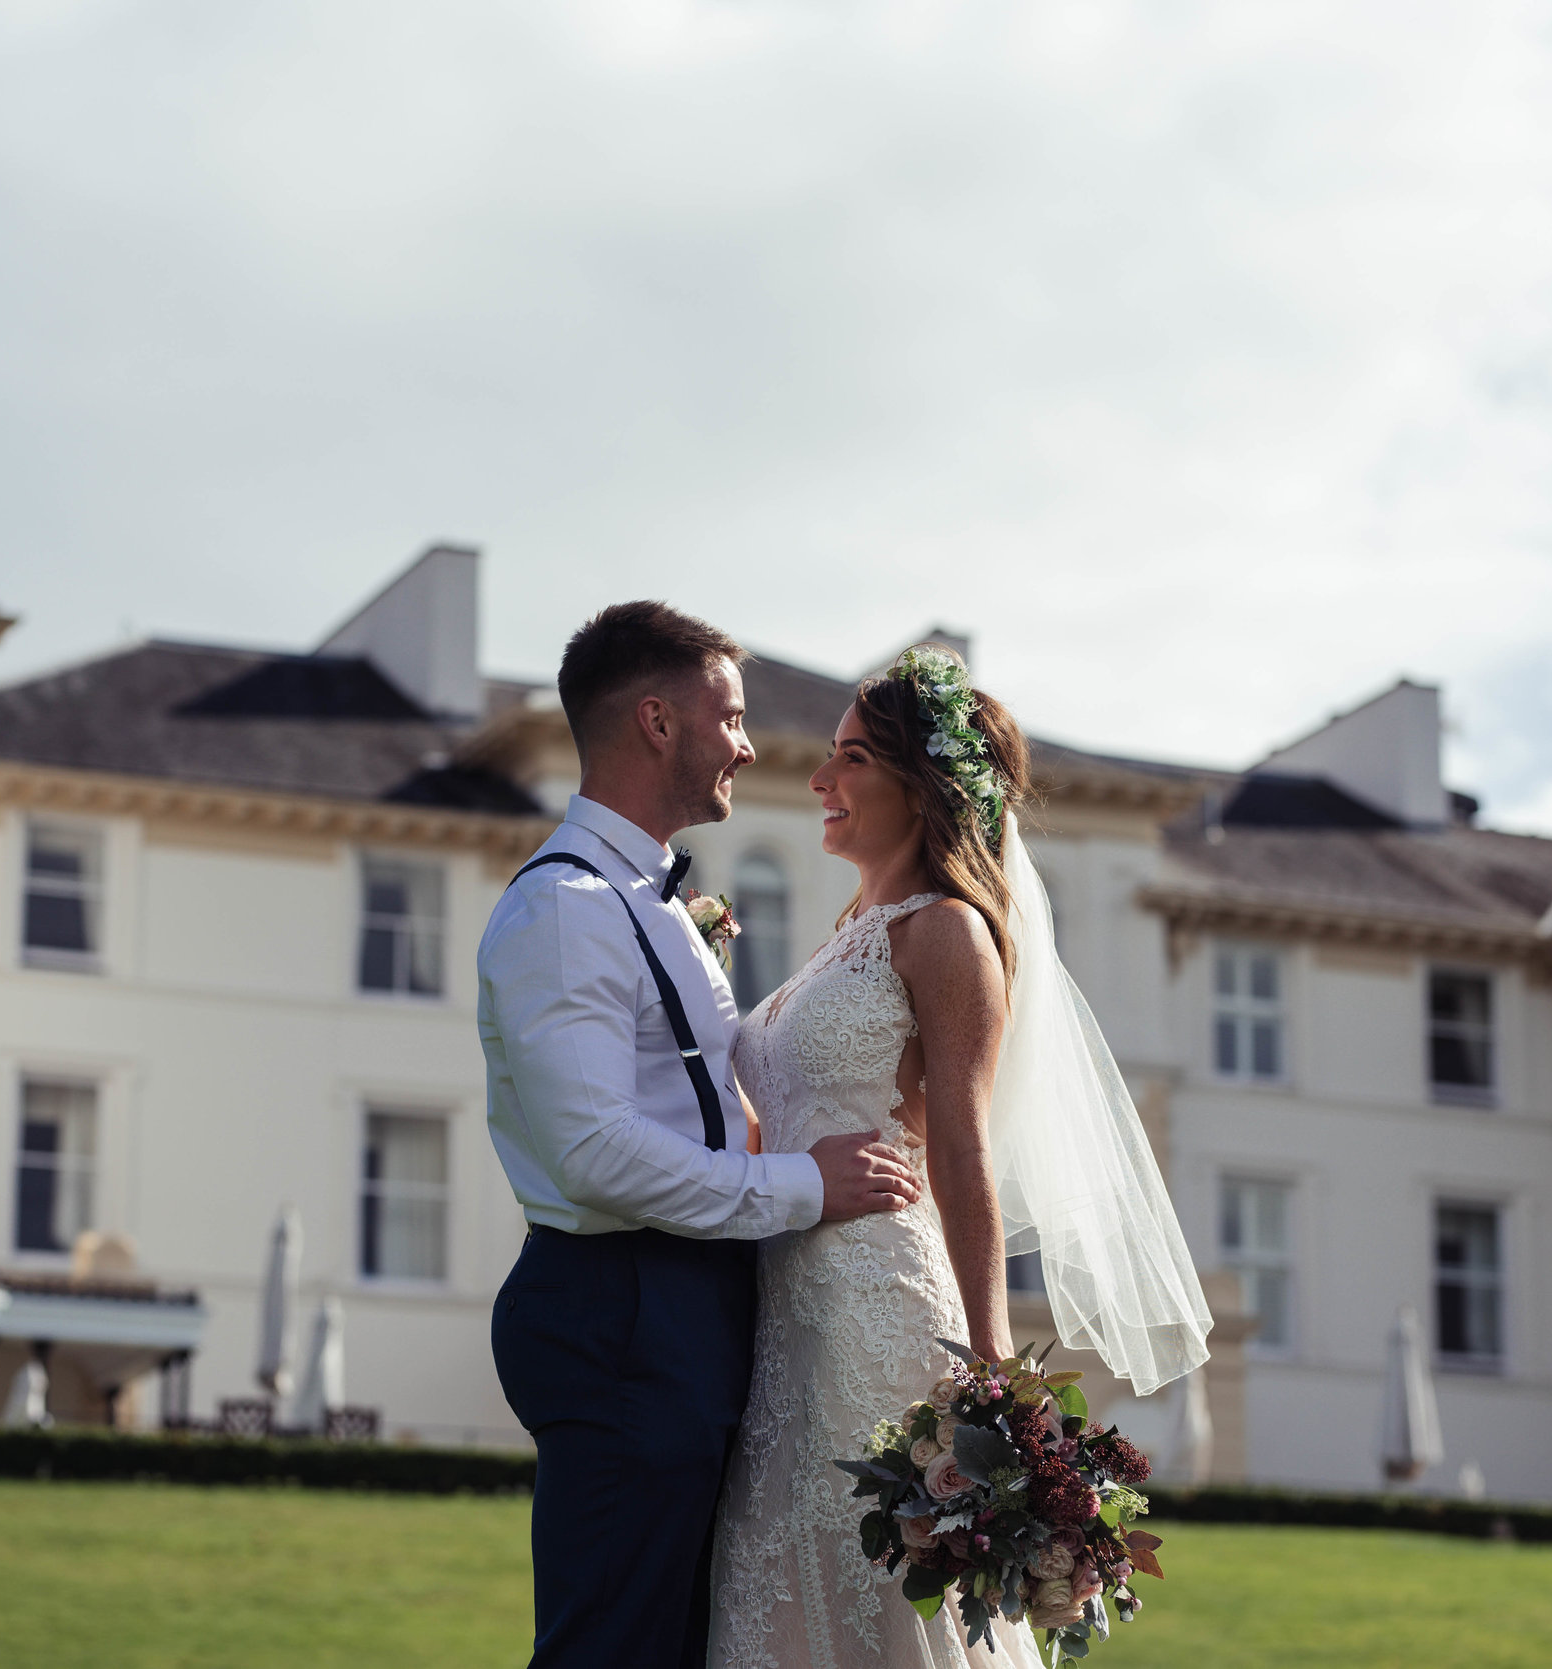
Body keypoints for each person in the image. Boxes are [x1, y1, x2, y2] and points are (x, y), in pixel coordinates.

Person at [707, 645, 1211, 1668]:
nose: (819, 781)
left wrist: (988, 1373)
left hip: (876, 1306)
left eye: (849, 759)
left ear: (920, 784)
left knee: (878, 1599)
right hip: (785, 1305)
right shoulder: (845, 935)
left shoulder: (945, 934)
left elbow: (962, 1145)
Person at [482, 601, 925, 1669]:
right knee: (616, 1645)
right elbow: (594, 1152)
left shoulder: (654, 905)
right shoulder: (566, 910)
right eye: (727, 715)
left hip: (679, 1309)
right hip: (623, 1311)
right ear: (656, 722)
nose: (744, 740)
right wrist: (802, 1186)